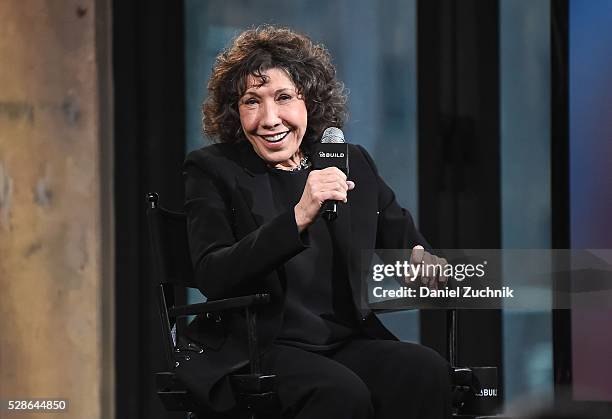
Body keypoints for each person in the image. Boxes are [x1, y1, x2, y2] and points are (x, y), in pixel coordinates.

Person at [178, 25, 452, 419]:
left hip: (345, 341)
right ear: (236, 114)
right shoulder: (213, 169)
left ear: (311, 102)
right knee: (340, 394)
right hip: (259, 347)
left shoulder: (350, 161)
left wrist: (422, 261)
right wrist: (298, 215)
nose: (269, 119)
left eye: (284, 98)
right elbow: (213, 273)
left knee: (426, 372)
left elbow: (407, 244)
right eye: (251, 102)